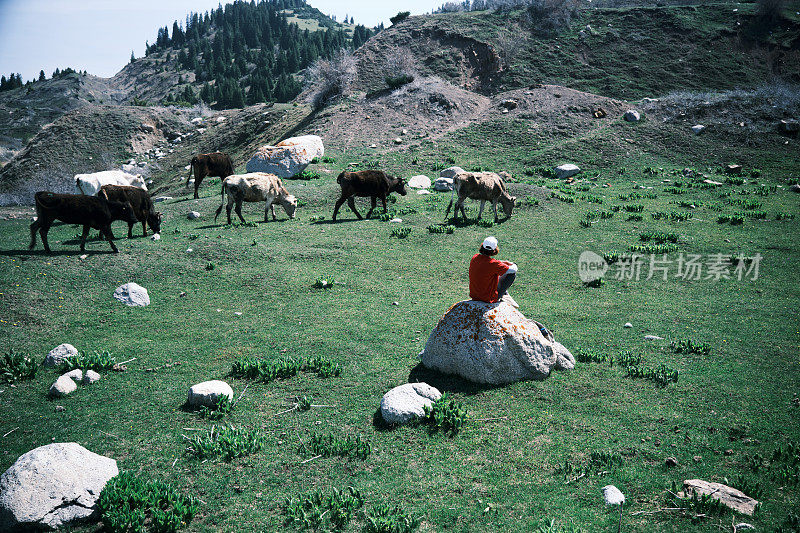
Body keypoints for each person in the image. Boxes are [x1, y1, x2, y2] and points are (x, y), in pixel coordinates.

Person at [469, 236, 518, 308]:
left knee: (495, 273)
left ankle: (505, 294)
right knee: (511, 275)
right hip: (488, 298)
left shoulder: (475, 258)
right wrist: (513, 264)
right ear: (494, 250)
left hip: (475, 296)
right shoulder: (494, 264)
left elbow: (487, 264)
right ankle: (504, 295)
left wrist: (501, 263)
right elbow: (513, 269)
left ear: (482, 246)